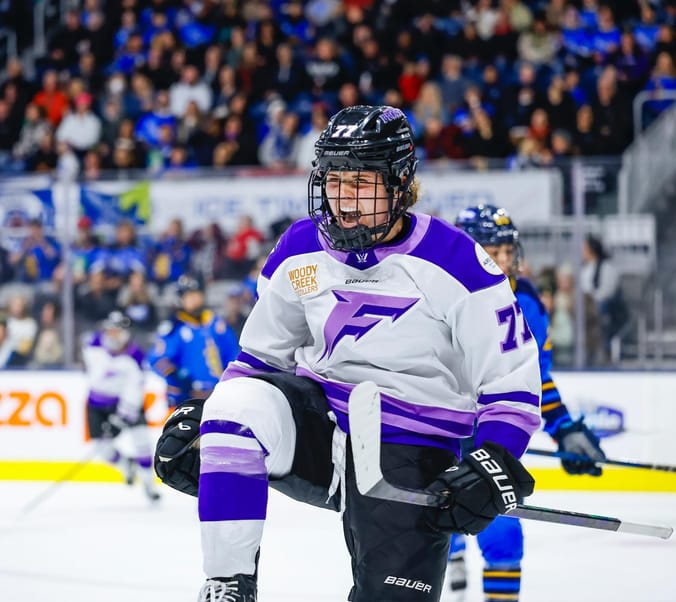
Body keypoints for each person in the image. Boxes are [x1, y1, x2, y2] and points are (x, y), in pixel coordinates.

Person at [153, 105, 540, 602]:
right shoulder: (299, 249)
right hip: (323, 430)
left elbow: (511, 385)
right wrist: (208, 424)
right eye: (334, 181)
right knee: (232, 405)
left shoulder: (457, 262)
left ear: (401, 184)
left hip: (412, 450)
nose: (343, 199)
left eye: (360, 183)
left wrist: (496, 459)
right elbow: (259, 363)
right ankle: (228, 585)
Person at [450, 205, 607, 599]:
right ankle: (450, 564)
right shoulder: (438, 293)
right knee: (434, 524)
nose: (503, 261)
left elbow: (535, 379)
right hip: (438, 430)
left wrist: (564, 428)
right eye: (493, 251)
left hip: (488, 435)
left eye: (507, 251)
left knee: (502, 531)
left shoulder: (529, 303)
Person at [81, 311, 160, 502]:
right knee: (103, 449)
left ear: (125, 333)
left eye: (117, 331)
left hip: (125, 403)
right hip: (97, 404)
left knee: (142, 440)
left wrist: (123, 416)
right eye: (109, 331)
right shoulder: (94, 345)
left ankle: (149, 485)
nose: (112, 335)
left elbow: (134, 388)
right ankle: (126, 465)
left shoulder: (136, 355)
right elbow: (96, 377)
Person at [147, 275, 238, 407]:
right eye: (189, 296)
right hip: (186, 397)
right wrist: (177, 375)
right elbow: (157, 359)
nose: (194, 299)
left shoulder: (217, 324)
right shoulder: (175, 327)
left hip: (218, 395)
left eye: (197, 294)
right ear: (180, 300)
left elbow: (233, 355)